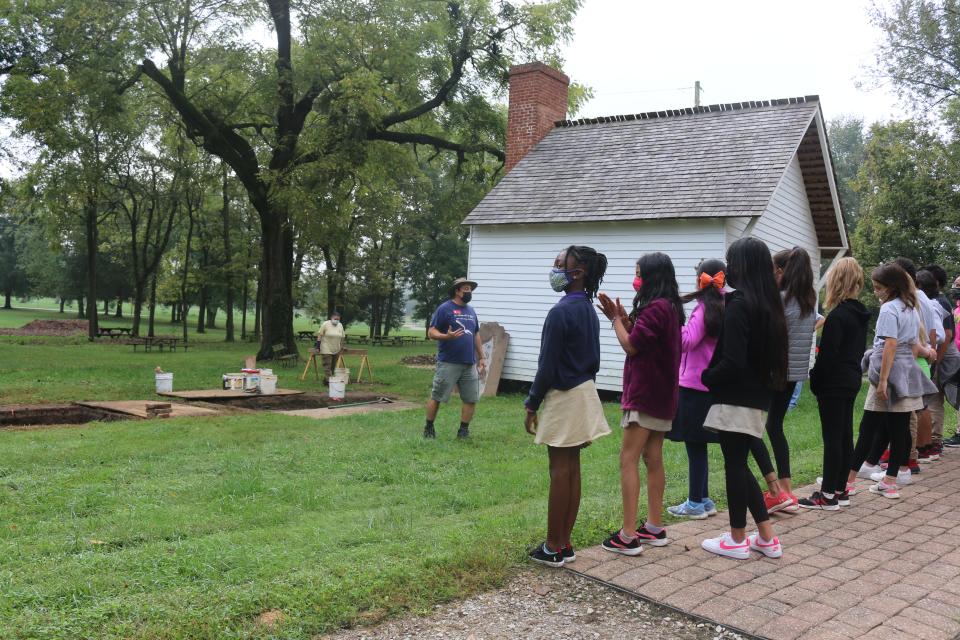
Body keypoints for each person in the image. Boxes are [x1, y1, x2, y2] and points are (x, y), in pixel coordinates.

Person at [700, 237, 787, 560]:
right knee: (740, 464)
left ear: (740, 267)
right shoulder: (769, 304)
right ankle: (766, 536)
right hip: (757, 396)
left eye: (730, 262)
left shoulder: (739, 304)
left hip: (735, 395)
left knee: (734, 466)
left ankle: (736, 538)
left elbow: (732, 360)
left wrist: (707, 377)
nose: (727, 269)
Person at [525, 246, 611, 567]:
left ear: (577, 274)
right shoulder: (588, 309)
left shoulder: (560, 312)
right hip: (584, 391)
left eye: (560, 264)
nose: (555, 268)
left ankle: (551, 546)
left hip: (564, 395)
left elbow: (547, 366)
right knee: (572, 470)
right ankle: (565, 543)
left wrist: (532, 403)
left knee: (559, 471)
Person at [597, 252, 683, 555]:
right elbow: (646, 339)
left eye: (639, 273)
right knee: (653, 458)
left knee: (628, 458)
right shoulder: (670, 307)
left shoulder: (656, 308)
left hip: (645, 394)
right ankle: (654, 527)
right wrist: (630, 321)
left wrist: (616, 321)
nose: (636, 279)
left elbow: (632, 346)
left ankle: (628, 534)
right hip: (663, 396)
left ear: (652, 277)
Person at [848, 263, 937, 499]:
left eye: (878, 288)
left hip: (888, 371)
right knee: (899, 430)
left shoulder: (889, 309)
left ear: (891, 287)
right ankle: (890, 480)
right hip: (907, 371)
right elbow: (912, 343)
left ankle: (847, 481)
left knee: (868, 427)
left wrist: (883, 380)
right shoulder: (910, 307)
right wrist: (927, 351)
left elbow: (890, 344)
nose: (876, 292)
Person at [749, 247, 818, 514]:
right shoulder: (808, 301)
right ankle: (787, 490)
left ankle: (776, 489)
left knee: (753, 426)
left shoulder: (778, 300)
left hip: (773, 373)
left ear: (780, 271)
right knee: (775, 426)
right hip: (795, 374)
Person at [799, 257, 870, 510]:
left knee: (832, 438)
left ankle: (828, 493)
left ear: (836, 282)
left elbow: (827, 356)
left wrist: (815, 379)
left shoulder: (838, 316)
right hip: (851, 379)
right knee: (844, 435)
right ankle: (840, 489)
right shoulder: (859, 315)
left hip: (834, 382)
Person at [665, 259, 727, 520]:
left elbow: (687, 341)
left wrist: (674, 324)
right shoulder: (725, 305)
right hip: (709, 385)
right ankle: (703, 500)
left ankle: (694, 502)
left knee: (694, 444)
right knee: (699, 444)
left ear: (701, 280)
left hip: (692, 385)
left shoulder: (703, 310)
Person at [423, 277, 486, 439]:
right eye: (465, 288)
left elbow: (476, 334)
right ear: (457, 291)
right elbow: (431, 332)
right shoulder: (445, 309)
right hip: (448, 362)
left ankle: (463, 431)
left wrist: (482, 357)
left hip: (468, 363)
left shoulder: (471, 311)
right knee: (437, 396)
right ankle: (429, 427)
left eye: (470, 289)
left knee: (471, 398)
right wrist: (446, 336)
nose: (469, 292)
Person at [315, 311, 346, 379]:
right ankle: (330, 381)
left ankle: (327, 380)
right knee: (327, 365)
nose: (336, 320)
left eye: (338, 319)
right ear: (331, 318)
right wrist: (318, 346)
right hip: (326, 348)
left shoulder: (340, 325)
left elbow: (343, 336)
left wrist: (342, 346)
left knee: (332, 366)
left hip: (336, 348)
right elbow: (320, 335)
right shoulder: (325, 324)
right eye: (335, 319)